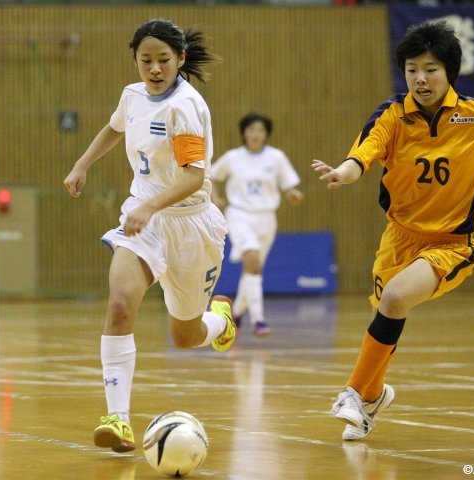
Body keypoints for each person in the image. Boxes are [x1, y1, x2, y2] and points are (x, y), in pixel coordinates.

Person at [312, 21, 474, 441]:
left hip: (450, 244)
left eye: (430, 69)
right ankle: (374, 395)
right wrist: (344, 172)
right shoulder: (392, 116)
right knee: (386, 312)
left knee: (393, 299)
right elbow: (363, 154)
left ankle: (353, 393)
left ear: (449, 72)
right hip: (398, 239)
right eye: (411, 69)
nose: (420, 79)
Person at [63, 18, 236, 454]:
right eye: (146, 60)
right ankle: (117, 420)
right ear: (136, 61)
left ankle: (220, 320)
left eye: (163, 60)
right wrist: (82, 163)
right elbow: (115, 127)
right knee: (120, 304)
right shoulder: (133, 95)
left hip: (192, 225)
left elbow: (194, 178)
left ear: (180, 59)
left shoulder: (186, 107)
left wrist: (150, 206)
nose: (155, 69)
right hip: (143, 221)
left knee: (186, 336)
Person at [211, 113, 303, 336]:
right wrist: (216, 197)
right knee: (251, 258)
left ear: (266, 134)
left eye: (260, 130)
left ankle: (237, 315)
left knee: (253, 269)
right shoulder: (233, 157)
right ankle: (259, 320)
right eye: (251, 130)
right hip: (240, 215)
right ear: (243, 133)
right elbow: (211, 175)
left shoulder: (276, 157)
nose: (256, 134)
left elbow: (288, 185)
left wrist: (293, 194)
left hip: (267, 219)